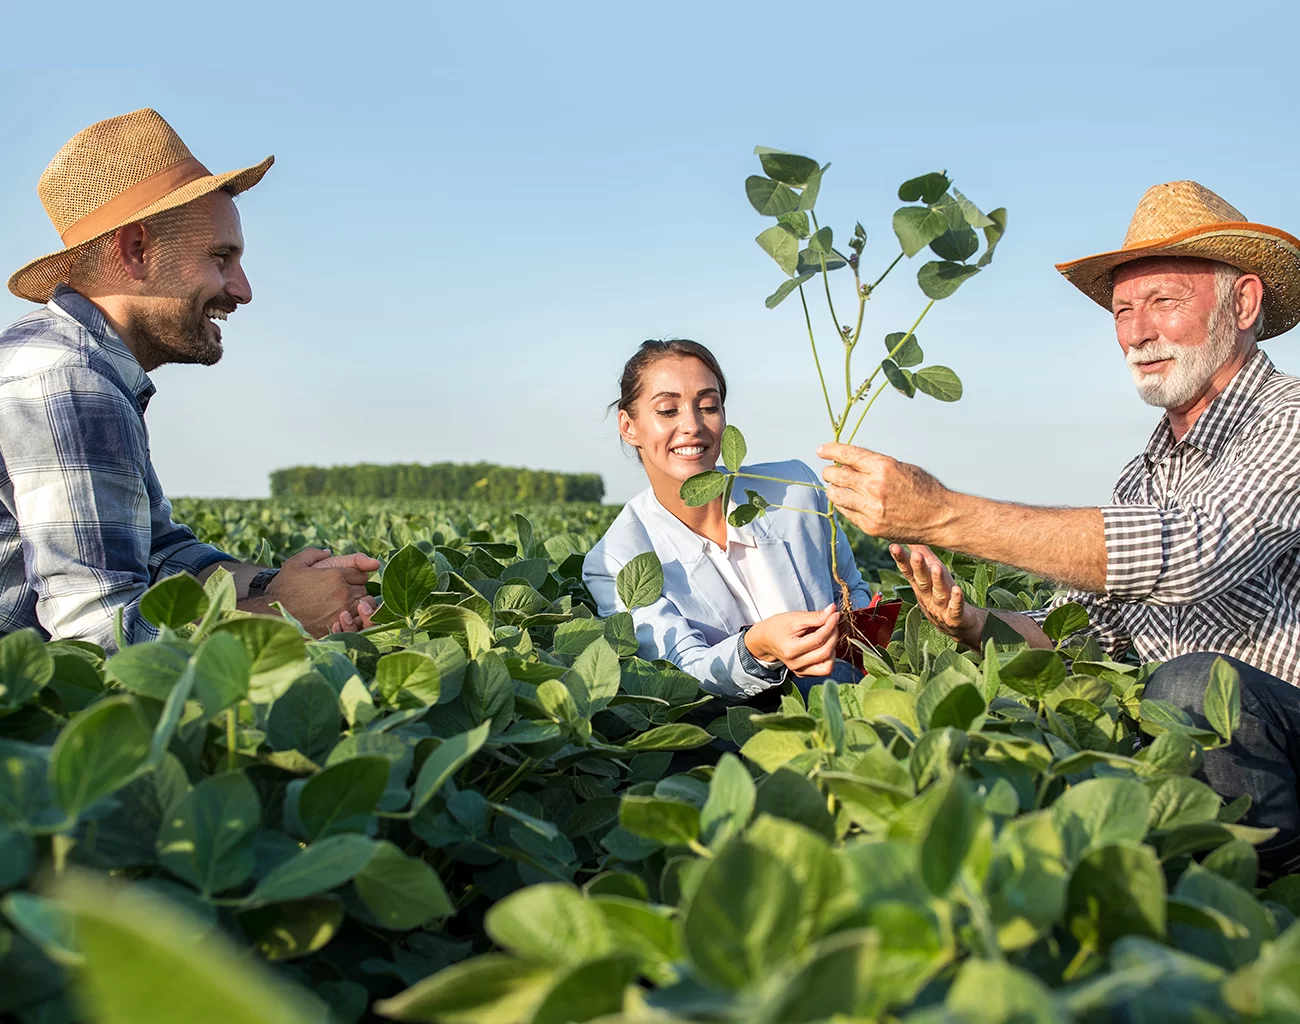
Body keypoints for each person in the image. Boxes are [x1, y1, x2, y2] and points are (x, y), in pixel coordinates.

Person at [816, 180, 1300, 878]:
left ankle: (1271, 900)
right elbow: (1085, 638)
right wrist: (976, 624)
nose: (1137, 331)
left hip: (1281, 736)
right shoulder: (1142, 478)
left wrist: (942, 514)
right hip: (1203, 759)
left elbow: (1194, 551)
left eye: (1164, 301)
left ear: (1244, 303)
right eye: (1123, 309)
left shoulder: (1287, 420)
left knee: (1193, 688)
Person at [0, 109, 377, 650]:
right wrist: (282, 614)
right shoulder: (66, 379)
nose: (242, 290)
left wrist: (285, 585)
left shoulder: (87, 364)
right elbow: (95, 636)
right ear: (135, 251)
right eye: (220, 257)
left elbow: (158, 550)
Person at [583, 339, 873, 700]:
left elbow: (851, 590)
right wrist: (757, 647)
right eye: (668, 410)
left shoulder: (795, 488)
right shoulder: (616, 557)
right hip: (724, 729)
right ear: (629, 427)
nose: (692, 425)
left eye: (708, 406)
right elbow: (682, 669)